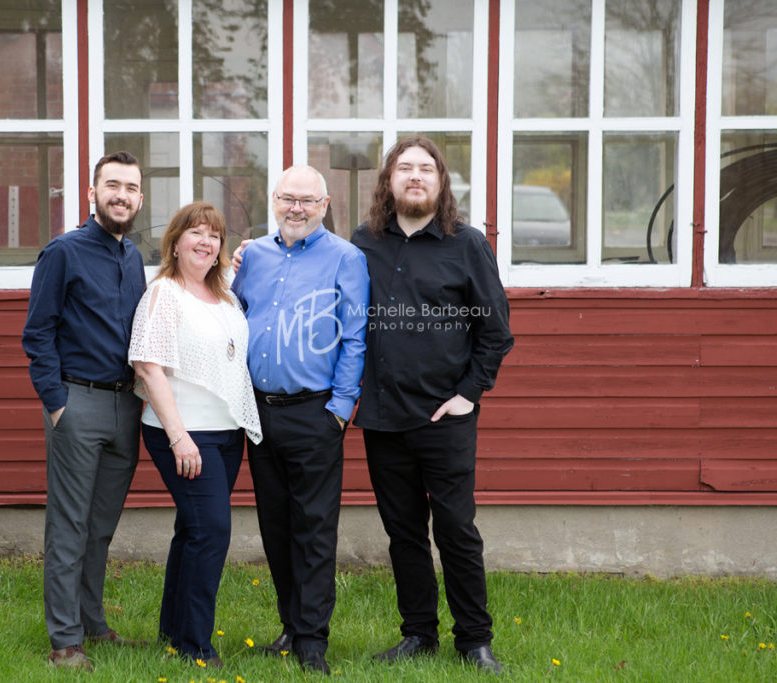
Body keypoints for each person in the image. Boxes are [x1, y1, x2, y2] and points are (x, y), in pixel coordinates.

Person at [350, 136, 514, 674]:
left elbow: (496, 334)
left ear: (440, 182)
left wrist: (468, 396)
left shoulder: (466, 244)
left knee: (456, 531)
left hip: (445, 417)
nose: (415, 177)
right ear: (389, 181)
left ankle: (474, 640)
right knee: (403, 534)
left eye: (426, 169)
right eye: (405, 169)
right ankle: (418, 633)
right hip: (383, 417)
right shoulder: (362, 244)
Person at [230, 165, 369, 674]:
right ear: (273, 199)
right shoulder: (253, 257)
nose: (297, 208)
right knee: (276, 526)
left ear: (325, 205)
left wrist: (339, 410)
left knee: (313, 529)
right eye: (289, 198)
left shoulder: (346, 259)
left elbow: (355, 338)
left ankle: (313, 640)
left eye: (308, 201)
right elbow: (230, 312)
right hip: (260, 414)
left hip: (316, 413)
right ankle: (290, 626)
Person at [21, 151, 148, 671]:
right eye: (112, 185)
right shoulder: (64, 252)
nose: (122, 195)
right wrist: (57, 406)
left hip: (126, 407)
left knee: (100, 525)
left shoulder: (133, 255)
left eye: (131, 187)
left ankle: (92, 620)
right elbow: (37, 333)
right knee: (69, 526)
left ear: (140, 198)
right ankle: (64, 641)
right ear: (92, 194)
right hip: (78, 403)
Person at [129, 201, 262, 667]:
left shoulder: (223, 293)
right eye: (196, 233)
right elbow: (148, 365)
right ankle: (194, 646)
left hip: (226, 434)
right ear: (176, 241)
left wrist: (249, 253)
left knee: (192, 531)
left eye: (215, 236)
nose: (206, 242)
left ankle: (173, 633)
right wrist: (179, 436)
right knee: (212, 533)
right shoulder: (163, 293)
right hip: (185, 433)